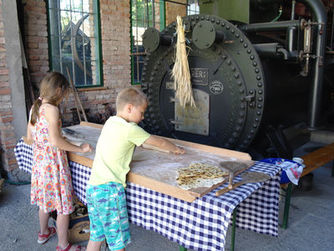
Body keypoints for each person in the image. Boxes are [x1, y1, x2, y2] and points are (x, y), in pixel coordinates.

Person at [86, 87, 185, 251]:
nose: (143, 117)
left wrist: (166, 150)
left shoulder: (111, 122)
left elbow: (144, 143)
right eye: (142, 112)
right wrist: (174, 148)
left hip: (94, 189)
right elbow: (156, 141)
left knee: (96, 236)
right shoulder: (130, 129)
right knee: (118, 244)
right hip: (110, 192)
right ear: (129, 108)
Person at [26, 72, 92, 251]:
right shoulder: (52, 110)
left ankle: (44, 232)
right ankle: (63, 245)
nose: (65, 97)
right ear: (58, 90)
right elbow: (55, 142)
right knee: (63, 207)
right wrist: (81, 148)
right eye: (65, 93)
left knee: (45, 202)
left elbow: (30, 137)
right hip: (54, 164)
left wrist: (49, 139)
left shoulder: (35, 106)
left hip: (40, 164)